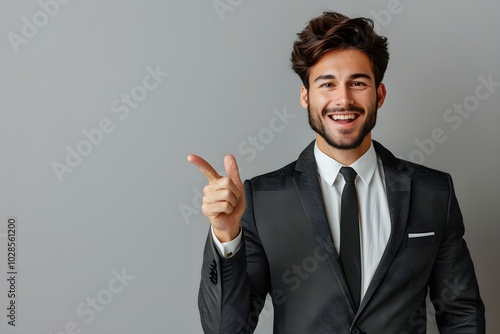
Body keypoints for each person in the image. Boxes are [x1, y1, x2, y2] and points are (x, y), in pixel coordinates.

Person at [187, 11, 485, 334]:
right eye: (327, 84)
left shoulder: (433, 193)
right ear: (306, 96)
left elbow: (461, 315)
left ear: (379, 95)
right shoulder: (262, 201)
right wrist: (226, 237)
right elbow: (225, 329)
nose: (343, 99)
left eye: (357, 83)